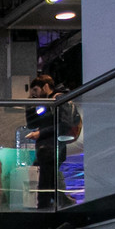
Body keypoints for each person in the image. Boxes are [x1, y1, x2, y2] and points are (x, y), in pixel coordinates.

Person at [23, 73, 80, 209]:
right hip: (47, 149)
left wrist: (40, 133)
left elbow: (64, 125)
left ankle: (46, 209)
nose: (35, 94)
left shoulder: (59, 100)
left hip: (53, 148)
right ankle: (62, 204)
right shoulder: (47, 103)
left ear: (46, 86)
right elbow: (32, 124)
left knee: (46, 184)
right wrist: (30, 107)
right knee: (50, 183)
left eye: (36, 90)